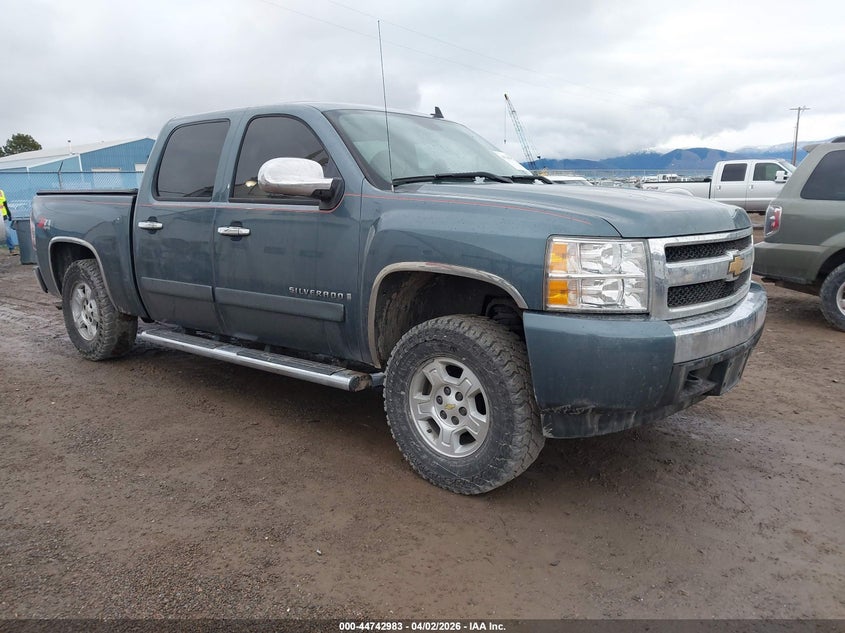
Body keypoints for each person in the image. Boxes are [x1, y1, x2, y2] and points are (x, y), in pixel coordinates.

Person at [0, 188, 19, 255]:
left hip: (3, 216)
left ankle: (12, 249)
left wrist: (9, 213)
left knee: (7, 233)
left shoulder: (1, 192)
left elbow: (5, 204)